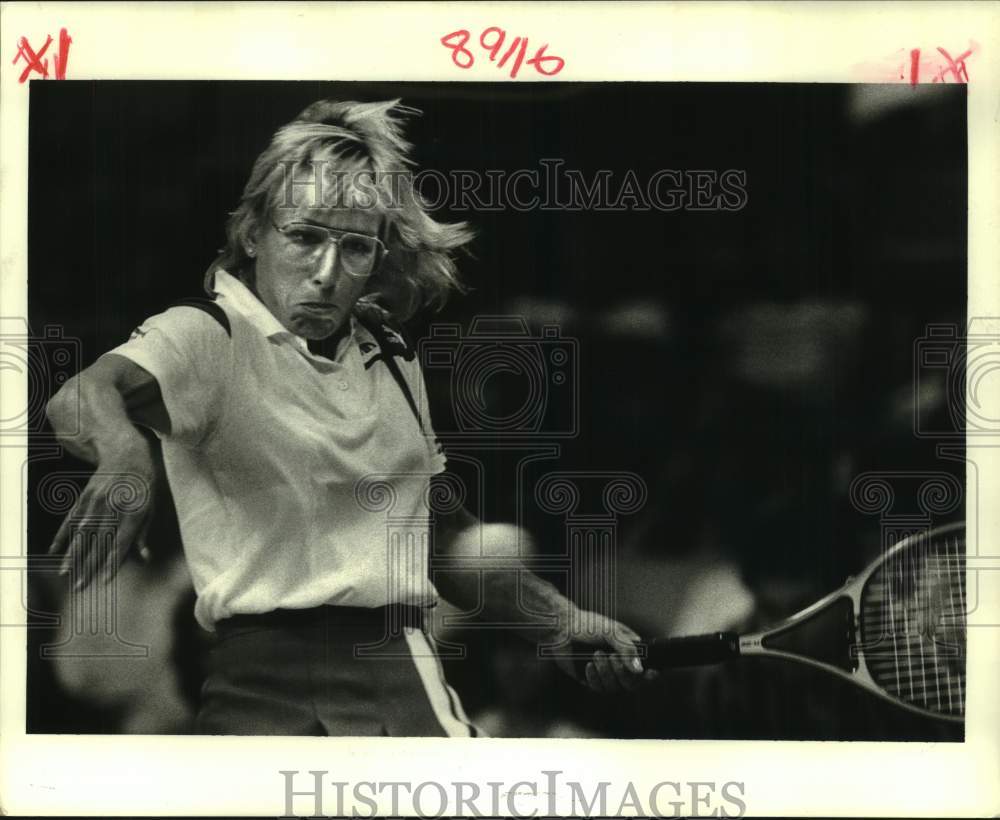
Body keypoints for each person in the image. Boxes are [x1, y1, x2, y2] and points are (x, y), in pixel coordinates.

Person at [45, 98, 655, 736]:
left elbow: (441, 538)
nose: (327, 273)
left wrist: (558, 622)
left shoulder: (391, 357)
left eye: (356, 247)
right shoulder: (207, 334)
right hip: (250, 681)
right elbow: (81, 396)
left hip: (395, 667)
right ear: (253, 233)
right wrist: (124, 454)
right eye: (304, 236)